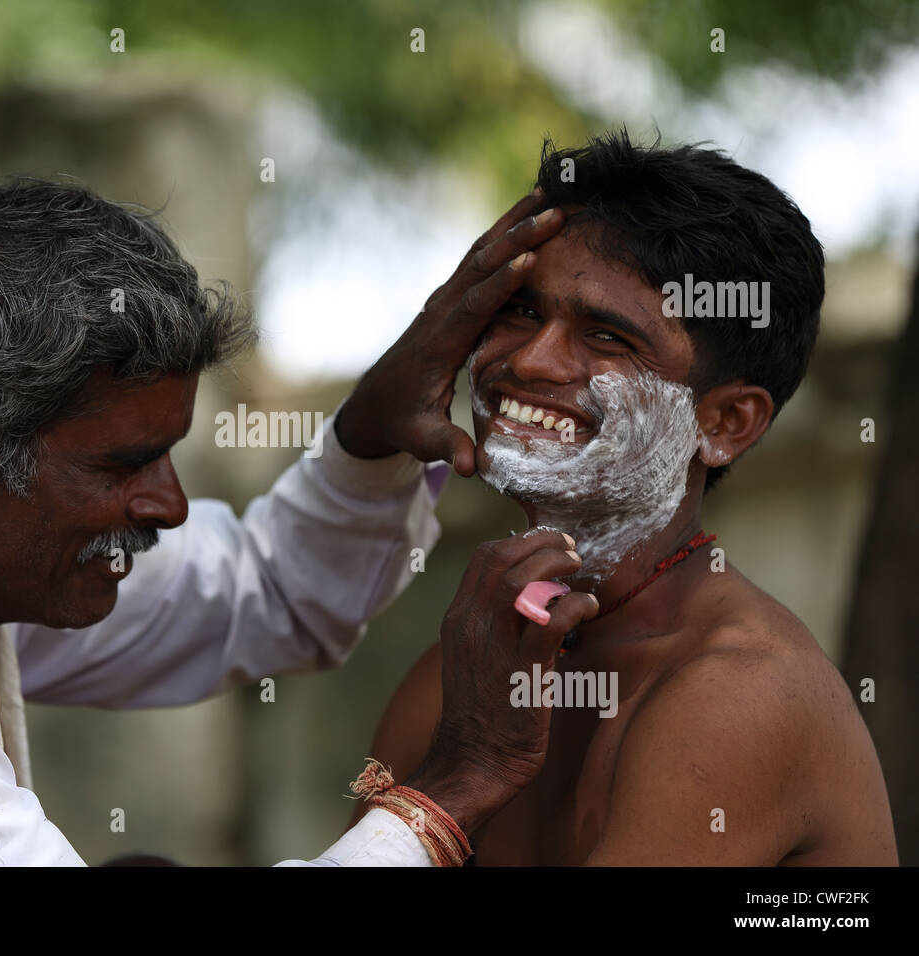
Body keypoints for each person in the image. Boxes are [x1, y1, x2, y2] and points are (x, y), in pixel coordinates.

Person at [0, 176, 587, 866]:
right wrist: (449, 790)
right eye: (122, 462)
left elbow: (262, 590)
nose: (166, 503)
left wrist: (370, 435)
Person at [351, 131, 898, 865]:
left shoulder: (737, 693)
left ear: (725, 423)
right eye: (519, 311)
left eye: (607, 337)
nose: (530, 360)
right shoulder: (461, 685)